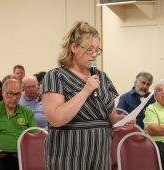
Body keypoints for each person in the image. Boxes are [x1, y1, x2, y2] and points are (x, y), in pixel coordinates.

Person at [41, 21, 134, 170]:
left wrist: (121, 120)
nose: (94, 55)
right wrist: (85, 91)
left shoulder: (101, 77)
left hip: (100, 153)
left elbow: (110, 117)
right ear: (74, 47)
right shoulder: (56, 76)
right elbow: (56, 119)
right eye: (89, 49)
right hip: (68, 153)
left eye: (97, 50)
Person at [0, 79, 36, 170]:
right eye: (10, 94)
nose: (14, 98)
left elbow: (34, 138)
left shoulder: (27, 113)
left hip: (20, 156)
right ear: (3, 93)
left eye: (17, 94)